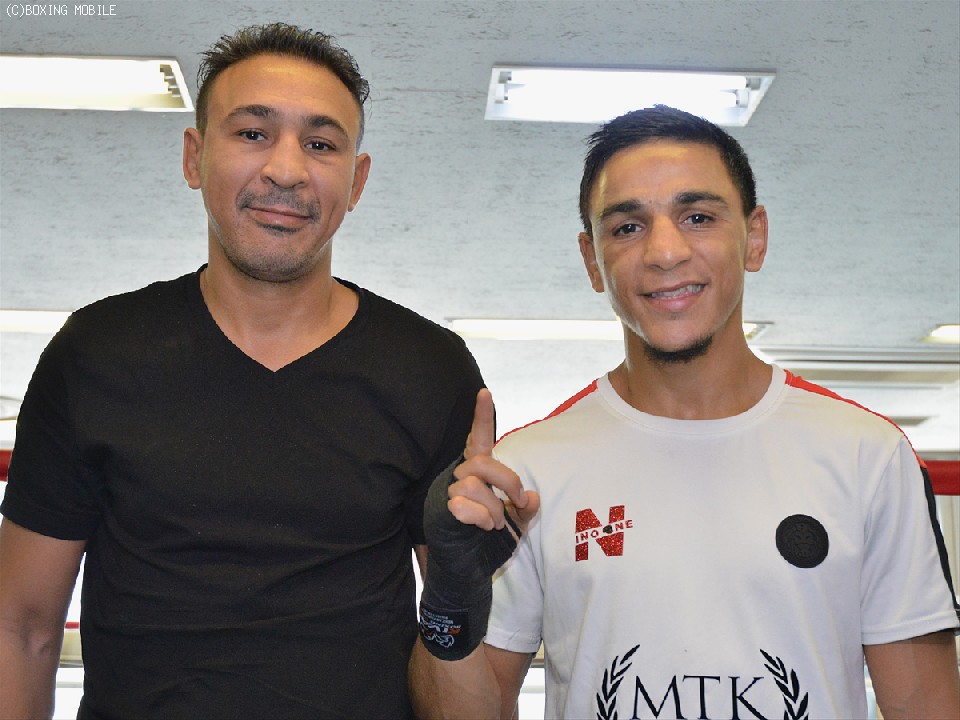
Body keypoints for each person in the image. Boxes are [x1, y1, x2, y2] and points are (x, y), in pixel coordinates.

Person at [409, 106, 960, 719]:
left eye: (698, 217)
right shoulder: (526, 472)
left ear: (754, 237)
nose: (665, 252)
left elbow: (926, 707)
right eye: (627, 227)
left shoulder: (868, 454)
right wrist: (449, 596)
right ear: (592, 260)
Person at [0, 23, 484, 719]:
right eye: (253, 133)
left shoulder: (430, 369)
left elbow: (457, 658)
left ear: (357, 181)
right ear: (194, 157)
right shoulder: (96, 354)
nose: (286, 170)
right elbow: (21, 627)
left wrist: (467, 585)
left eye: (320, 144)